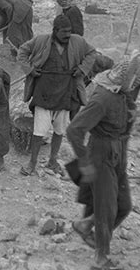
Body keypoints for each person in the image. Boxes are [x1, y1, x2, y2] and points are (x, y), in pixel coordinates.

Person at [67, 53, 140, 270]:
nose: (139, 85)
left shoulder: (123, 93)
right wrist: (85, 163)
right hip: (101, 154)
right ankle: (101, 257)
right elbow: (74, 130)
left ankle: (86, 224)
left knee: (124, 206)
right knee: (106, 208)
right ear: (128, 78)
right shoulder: (103, 99)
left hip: (119, 153)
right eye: (137, 80)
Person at [17, 15, 97, 176]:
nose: (67, 35)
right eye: (64, 32)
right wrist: (30, 69)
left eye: (69, 32)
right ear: (55, 31)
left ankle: (52, 160)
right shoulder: (41, 41)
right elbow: (22, 52)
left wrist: (82, 69)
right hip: (44, 91)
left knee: (60, 131)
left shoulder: (77, 41)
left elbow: (91, 53)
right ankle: (32, 162)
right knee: (39, 131)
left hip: (66, 91)